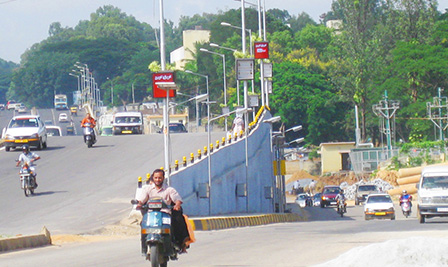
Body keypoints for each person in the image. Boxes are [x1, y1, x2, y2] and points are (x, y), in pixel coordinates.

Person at [136, 169, 190, 256]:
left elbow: (177, 199)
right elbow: (141, 200)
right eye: (156, 178)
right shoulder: (148, 189)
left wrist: (177, 204)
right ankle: (144, 247)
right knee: (143, 225)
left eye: (160, 178)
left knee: (174, 224)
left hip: (165, 214)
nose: (158, 180)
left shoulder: (169, 189)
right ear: (153, 178)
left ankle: (175, 243)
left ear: (163, 178)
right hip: (151, 214)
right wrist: (139, 204)